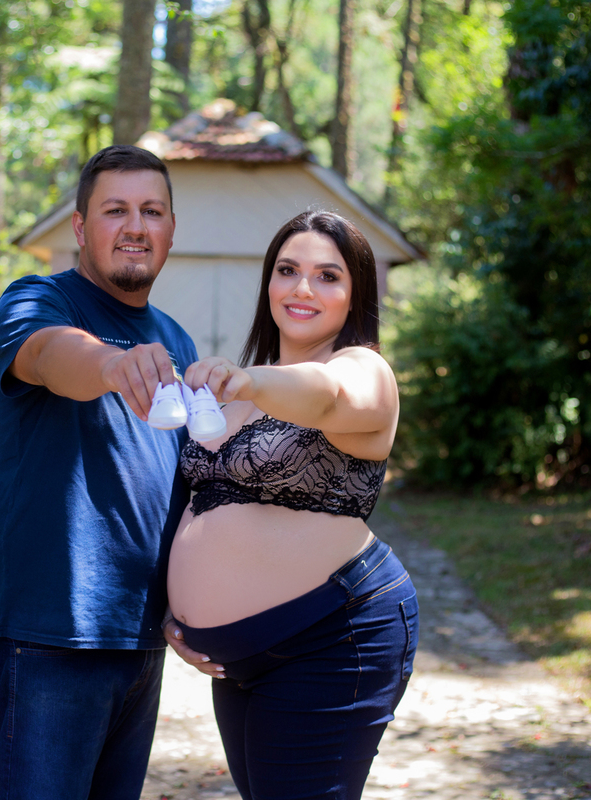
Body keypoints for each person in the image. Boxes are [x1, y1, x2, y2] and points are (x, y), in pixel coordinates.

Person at [162, 210, 419, 800]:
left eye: (328, 276)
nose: (303, 288)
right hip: (242, 659)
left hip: (330, 638)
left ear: (355, 296)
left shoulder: (362, 371)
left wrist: (247, 380)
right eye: (288, 270)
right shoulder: (236, 393)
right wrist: (174, 612)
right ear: (269, 283)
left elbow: (327, 399)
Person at [0, 145, 198, 800]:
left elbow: (177, 489)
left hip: (139, 638)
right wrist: (109, 366)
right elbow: (46, 356)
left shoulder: (173, 339)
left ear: (171, 229)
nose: (135, 226)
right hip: (49, 637)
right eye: (114, 210)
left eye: (151, 210)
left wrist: (191, 604)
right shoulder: (36, 301)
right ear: (79, 227)